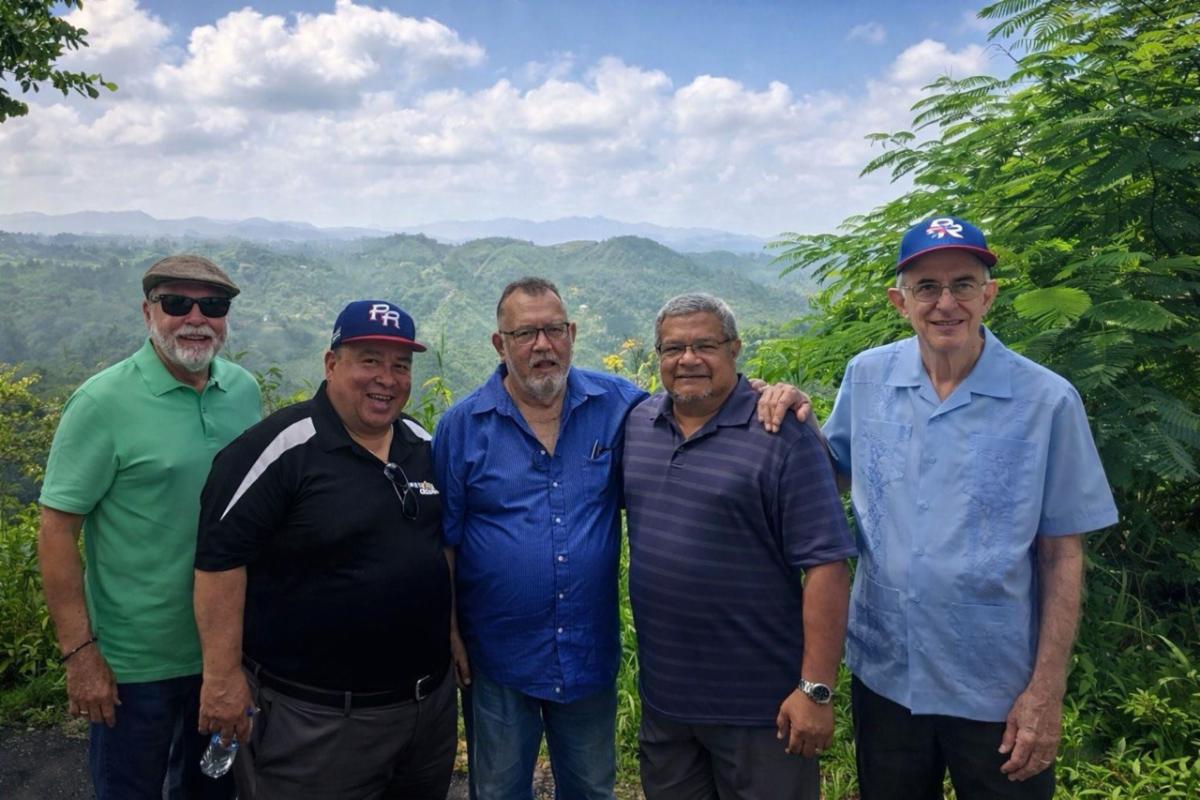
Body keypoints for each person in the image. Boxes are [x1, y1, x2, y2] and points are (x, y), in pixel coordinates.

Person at [433, 277, 803, 800]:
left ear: (572, 334)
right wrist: (450, 629)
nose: (542, 345)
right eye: (525, 334)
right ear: (499, 343)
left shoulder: (620, 405)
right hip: (498, 656)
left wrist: (767, 394)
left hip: (587, 654)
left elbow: (693, 407)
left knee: (591, 788)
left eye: (554, 330)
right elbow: (446, 538)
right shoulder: (461, 426)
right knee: (496, 791)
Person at [820, 216, 1119, 799]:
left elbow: (1062, 554)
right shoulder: (867, 377)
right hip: (887, 673)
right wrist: (787, 411)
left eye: (963, 284)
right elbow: (826, 475)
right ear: (899, 302)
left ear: (989, 295)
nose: (945, 303)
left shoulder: (1047, 400)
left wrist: (1046, 691)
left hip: (997, 684)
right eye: (926, 287)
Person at [193, 300, 456, 799]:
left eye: (400, 366)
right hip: (315, 720)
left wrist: (453, 633)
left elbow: (441, 548)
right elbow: (219, 563)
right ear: (331, 364)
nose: (387, 379)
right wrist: (221, 679)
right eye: (369, 360)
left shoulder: (423, 446)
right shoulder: (277, 450)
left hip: (425, 712)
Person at [37, 255, 260, 800]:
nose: (196, 318)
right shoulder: (101, 402)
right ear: (147, 312)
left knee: (211, 791)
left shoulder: (243, 392)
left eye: (212, 306)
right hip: (133, 664)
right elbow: (57, 530)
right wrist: (80, 655)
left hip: (224, 652)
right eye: (177, 303)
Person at [622, 293, 856, 800]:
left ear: (734, 349)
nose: (688, 359)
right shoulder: (638, 425)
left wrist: (816, 690)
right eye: (673, 348)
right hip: (666, 705)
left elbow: (826, 566)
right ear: (657, 355)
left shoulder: (780, 433)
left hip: (763, 711)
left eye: (705, 345)